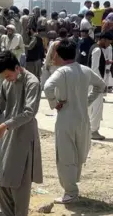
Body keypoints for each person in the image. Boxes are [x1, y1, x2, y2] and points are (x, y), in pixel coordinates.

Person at [0, 51, 43, 216]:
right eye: (4, 77)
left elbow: (29, 112)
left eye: (8, 75)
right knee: (2, 180)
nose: (7, 79)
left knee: (19, 182)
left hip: (24, 135)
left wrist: (4, 126)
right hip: (7, 136)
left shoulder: (32, 83)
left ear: (17, 67)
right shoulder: (7, 83)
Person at [44, 39, 105, 204]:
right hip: (83, 118)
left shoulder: (62, 72)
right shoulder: (85, 70)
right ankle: (72, 187)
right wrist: (87, 101)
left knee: (65, 155)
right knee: (78, 152)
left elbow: (47, 87)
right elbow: (101, 85)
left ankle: (71, 191)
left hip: (66, 118)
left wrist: (54, 103)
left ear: (60, 55)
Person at [87, 32, 113, 140]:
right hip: (96, 84)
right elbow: (94, 69)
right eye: (108, 42)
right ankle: (93, 131)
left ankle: (89, 129)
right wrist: (101, 84)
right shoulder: (97, 50)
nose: (108, 45)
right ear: (103, 39)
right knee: (97, 108)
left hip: (92, 82)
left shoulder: (95, 47)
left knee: (91, 107)